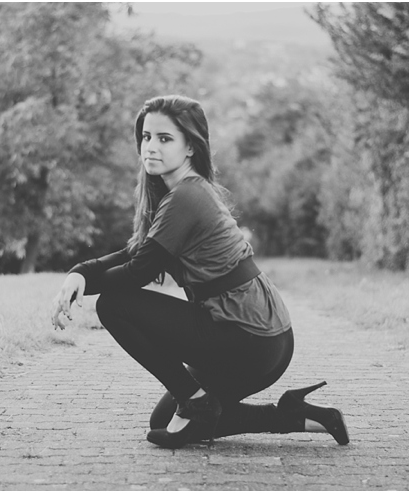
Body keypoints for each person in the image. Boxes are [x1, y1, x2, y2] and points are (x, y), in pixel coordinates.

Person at [51, 95, 348, 449]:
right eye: (146, 137)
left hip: (248, 337)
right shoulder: (182, 193)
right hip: (264, 338)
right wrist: (81, 274)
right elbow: (137, 251)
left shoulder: (186, 198)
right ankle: (298, 416)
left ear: (190, 147)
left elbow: (137, 272)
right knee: (163, 421)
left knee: (114, 304)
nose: (151, 147)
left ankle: (196, 401)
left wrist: (85, 287)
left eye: (165, 138)